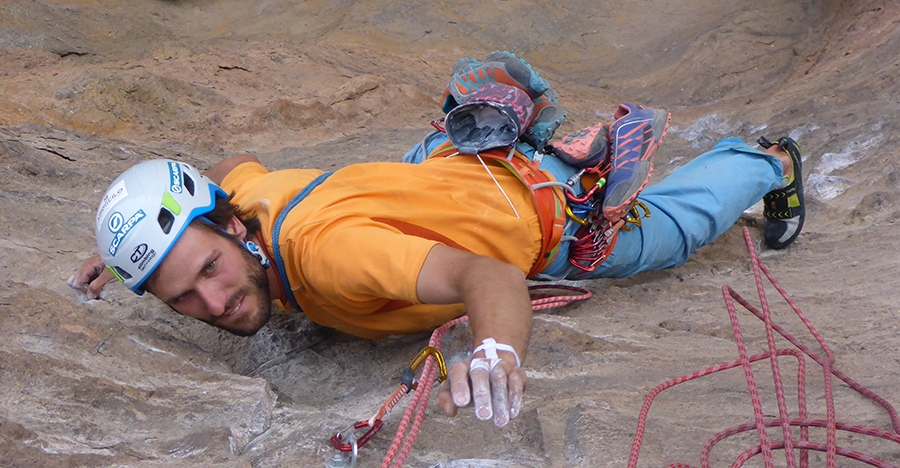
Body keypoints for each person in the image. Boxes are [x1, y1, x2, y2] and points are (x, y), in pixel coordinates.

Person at [69, 52, 805, 430]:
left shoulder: (330, 256)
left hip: (536, 219)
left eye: (207, 268)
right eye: (182, 297)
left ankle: (765, 160)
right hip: (442, 171)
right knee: (417, 178)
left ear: (231, 228)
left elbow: (490, 276)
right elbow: (229, 169)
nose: (215, 300)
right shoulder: (245, 200)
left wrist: (498, 351)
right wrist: (136, 249)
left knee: (671, 234)